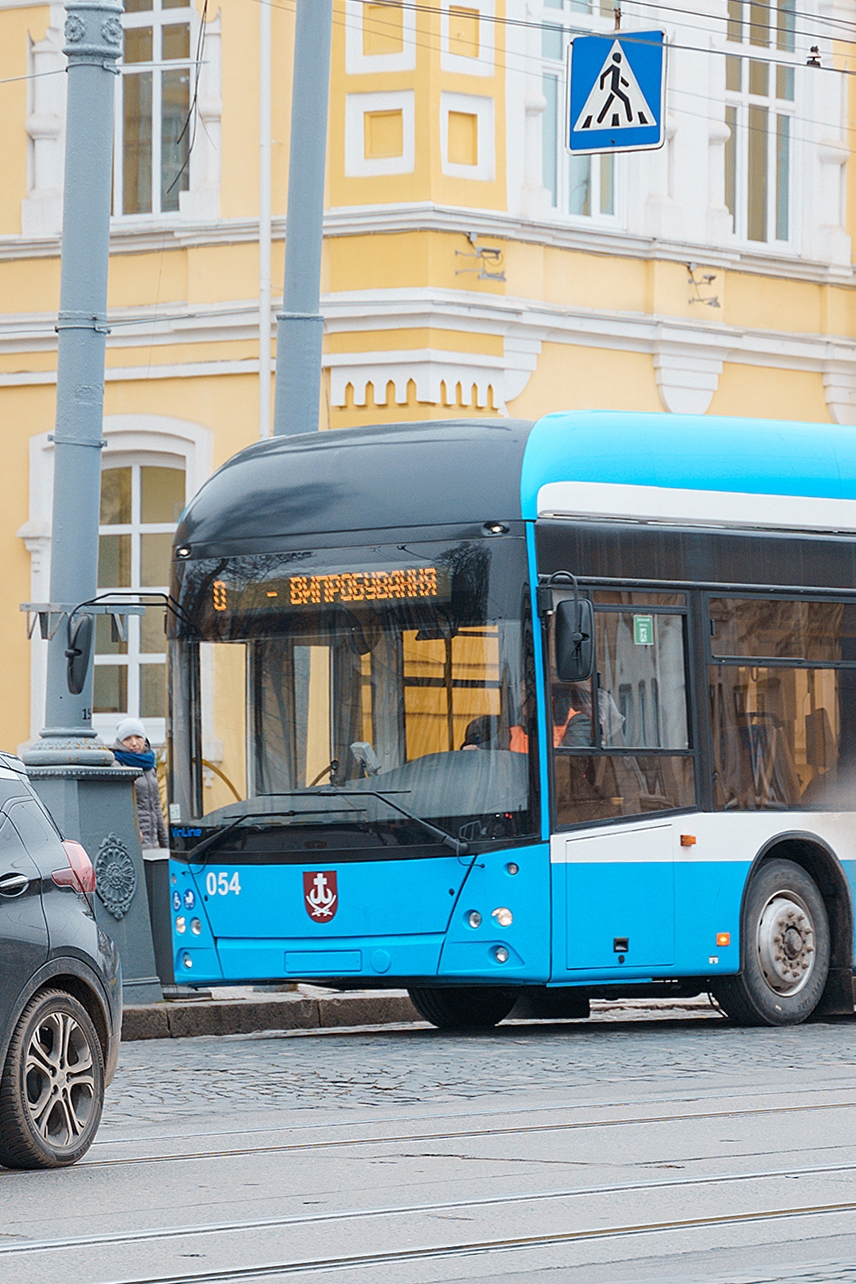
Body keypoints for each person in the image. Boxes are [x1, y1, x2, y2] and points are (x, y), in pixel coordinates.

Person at [112, 717, 168, 849]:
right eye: (127, 739)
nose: (134, 743)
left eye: (138, 737)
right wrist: (130, 829)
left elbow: (155, 804)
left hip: (153, 838)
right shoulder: (116, 764)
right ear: (120, 742)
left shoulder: (149, 764)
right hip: (133, 840)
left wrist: (165, 839)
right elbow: (116, 804)